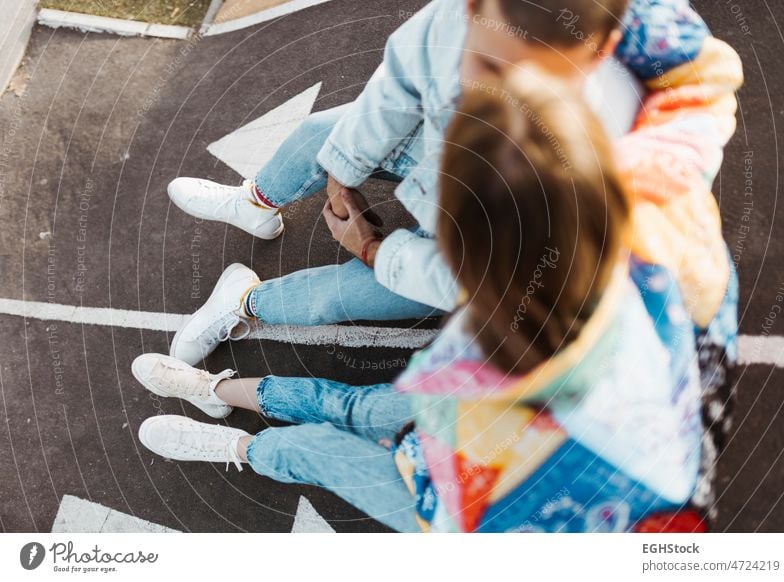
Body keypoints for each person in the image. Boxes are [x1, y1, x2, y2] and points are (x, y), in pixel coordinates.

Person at [134, 32, 744, 531]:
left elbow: (476, 292)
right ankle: (236, 317)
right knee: (357, 382)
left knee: (321, 437)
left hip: (486, 474)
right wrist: (368, 225)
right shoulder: (666, 249)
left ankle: (222, 399)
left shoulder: (494, 506)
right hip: (527, 412)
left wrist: (376, 249)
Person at [165, 0, 711, 366]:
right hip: (440, 164)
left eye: (514, 74)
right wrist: (339, 178)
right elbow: (400, 80)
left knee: (350, 296)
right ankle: (255, 201)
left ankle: (245, 302)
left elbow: (488, 278)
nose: (479, 81)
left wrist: (379, 251)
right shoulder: (472, 11)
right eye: (481, 57)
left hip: (486, 239)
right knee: (321, 133)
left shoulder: (608, 167)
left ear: (599, 51)